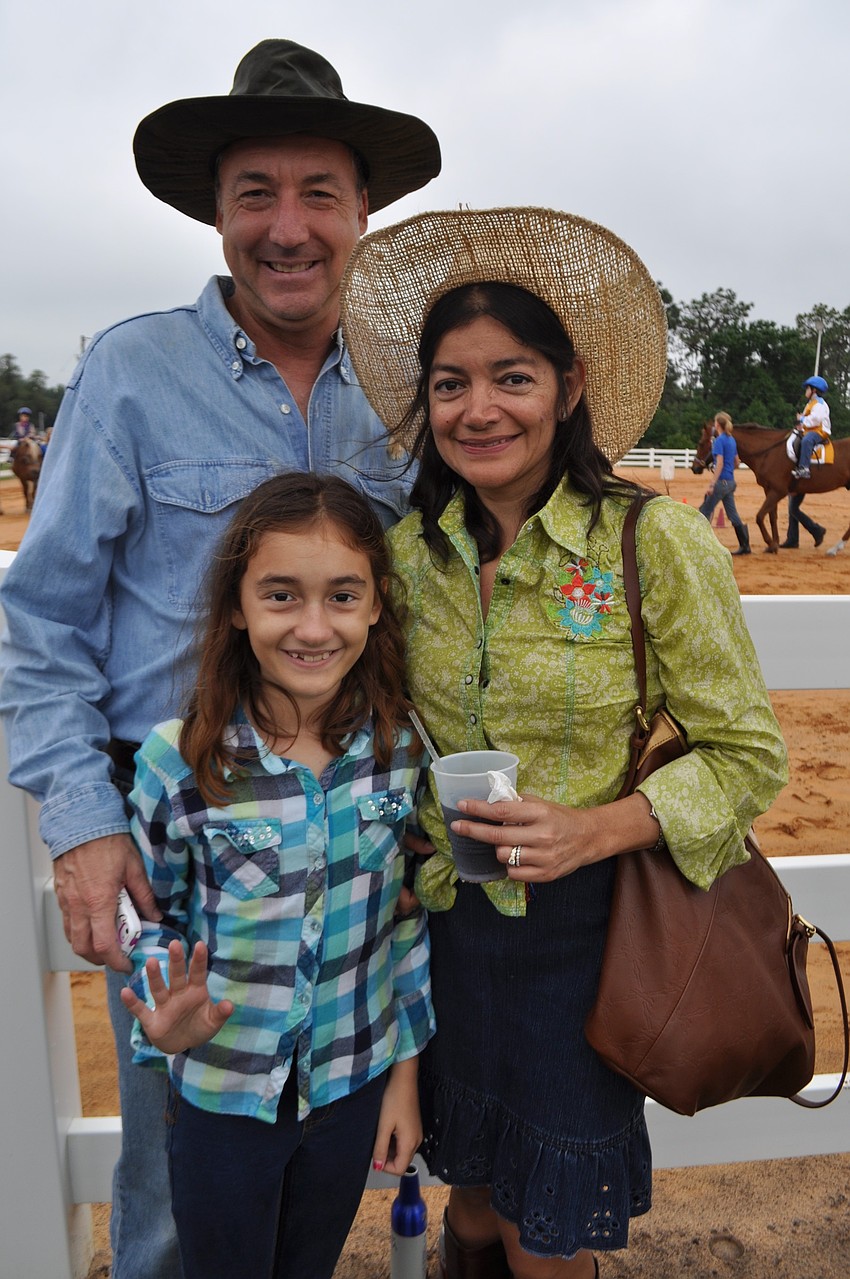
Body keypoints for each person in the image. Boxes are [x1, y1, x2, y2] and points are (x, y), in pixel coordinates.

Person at [0, 39, 439, 1279]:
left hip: (356, 847)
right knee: (173, 1201)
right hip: (181, 863)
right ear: (216, 210)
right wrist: (86, 825)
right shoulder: (133, 372)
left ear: (365, 210)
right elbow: (41, 621)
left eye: (318, 194)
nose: (287, 227)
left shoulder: (411, 386)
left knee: (319, 1181)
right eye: (257, 194)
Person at [340, 208, 788, 1279]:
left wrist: (594, 830)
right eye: (449, 383)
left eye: (513, 377)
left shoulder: (653, 541)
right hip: (443, 937)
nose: (478, 408)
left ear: (568, 385)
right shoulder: (404, 556)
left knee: (545, 1240)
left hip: (586, 945)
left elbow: (747, 756)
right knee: (471, 1205)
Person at [119, 472, 433, 1279]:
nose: (313, 626)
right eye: (282, 595)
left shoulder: (399, 752)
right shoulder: (179, 762)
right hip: (221, 1097)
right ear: (237, 605)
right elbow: (150, 916)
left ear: (376, 603)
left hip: (352, 1086)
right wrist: (162, 1012)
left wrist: (403, 1077)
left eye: (342, 596)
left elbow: (405, 919)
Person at [697, 411, 750, 554]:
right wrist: (726, 468)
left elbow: (719, 463)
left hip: (721, 483)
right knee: (733, 515)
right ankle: (745, 546)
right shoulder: (731, 439)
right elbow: (737, 462)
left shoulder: (719, 441)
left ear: (717, 424)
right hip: (730, 482)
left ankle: (700, 545)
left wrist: (712, 484)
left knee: (704, 511)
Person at [791, 374, 831, 479]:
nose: (806, 390)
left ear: (814, 390)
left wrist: (801, 419)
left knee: (807, 441)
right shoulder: (810, 403)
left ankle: (804, 468)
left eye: (807, 388)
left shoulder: (819, 404)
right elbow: (806, 419)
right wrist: (800, 424)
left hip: (820, 431)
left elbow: (815, 420)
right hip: (811, 430)